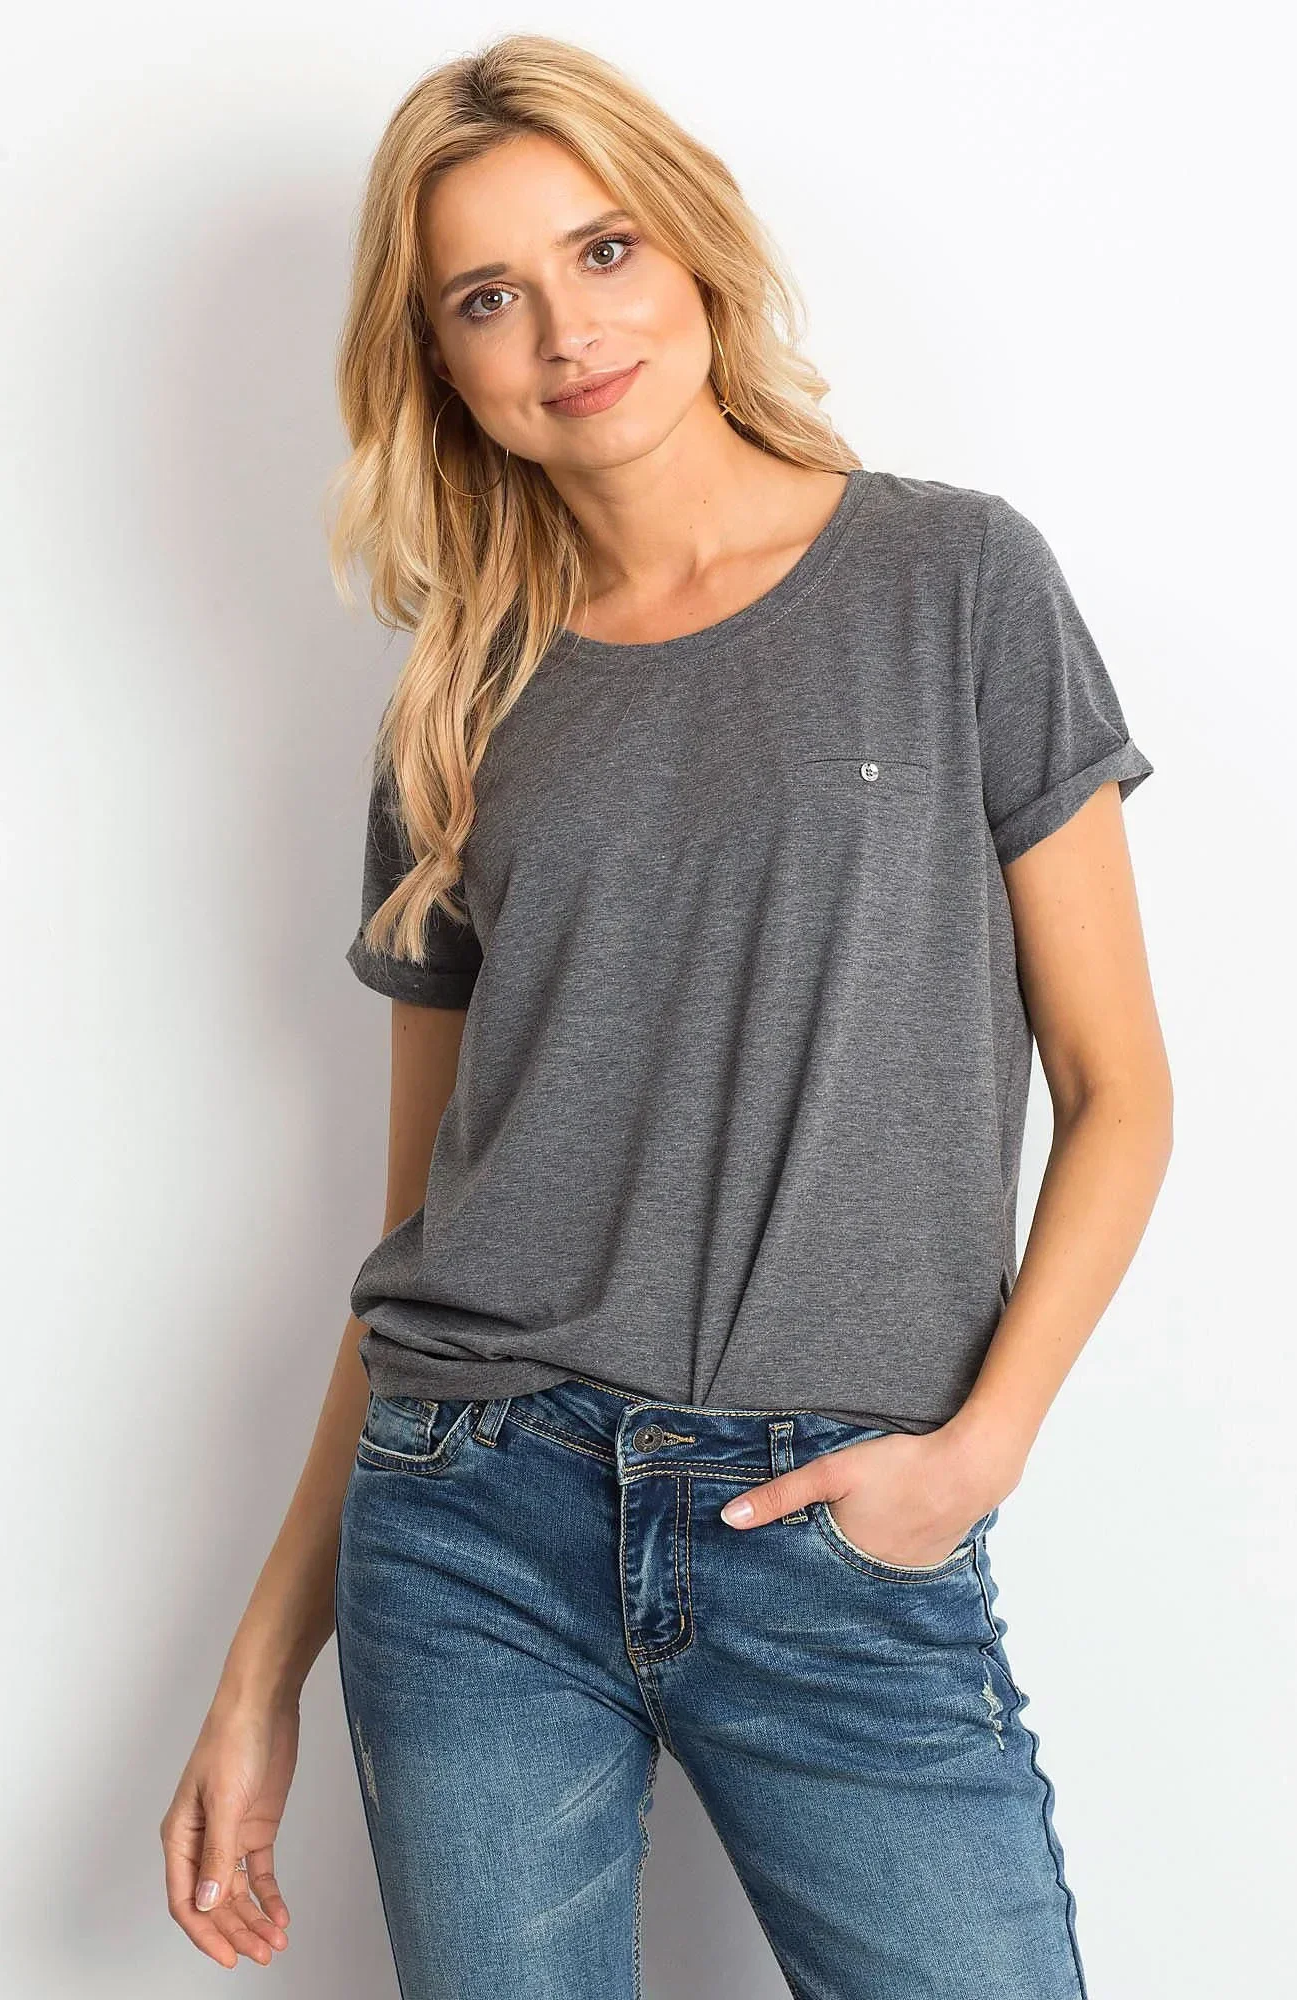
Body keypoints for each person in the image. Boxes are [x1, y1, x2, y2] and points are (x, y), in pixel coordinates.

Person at [160, 33, 1171, 1999]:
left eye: (604, 249)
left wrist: (976, 1453)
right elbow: (419, 1231)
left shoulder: (953, 581)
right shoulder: (460, 701)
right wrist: (261, 1670)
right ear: (439, 359)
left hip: (835, 1524)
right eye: (489, 296)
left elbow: (1119, 1086)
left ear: (694, 247)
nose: (567, 330)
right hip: (469, 1524)